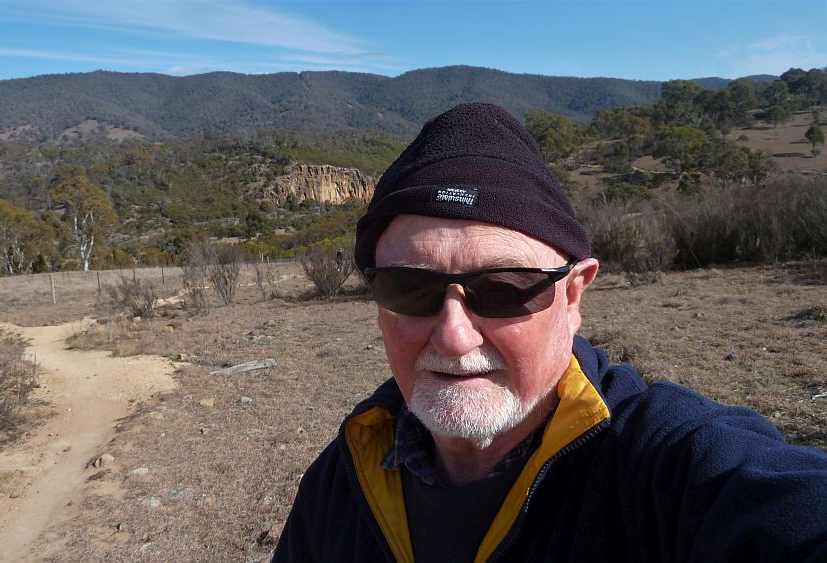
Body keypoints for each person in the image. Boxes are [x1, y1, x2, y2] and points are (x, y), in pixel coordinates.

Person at [273, 102, 827, 562]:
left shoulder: (666, 470)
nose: (453, 336)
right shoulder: (344, 476)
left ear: (573, 294)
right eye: (410, 289)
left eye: (504, 289)